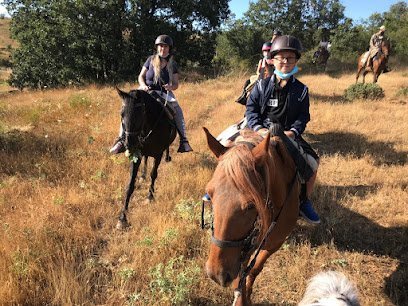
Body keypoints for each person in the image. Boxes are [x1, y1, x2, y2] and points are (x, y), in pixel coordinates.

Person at [245, 35, 320, 224]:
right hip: (259, 130)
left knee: (312, 164)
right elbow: (251, 110)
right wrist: (259, 128)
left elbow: (303, 116)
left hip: (286, 133)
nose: (285, 61)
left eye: (290, 58)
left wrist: (293, 132)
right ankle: (218, 190)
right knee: (228, 145)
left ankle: (303, 201)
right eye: (281, 58)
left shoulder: (302, 90)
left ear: (296, 61)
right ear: (273, 60)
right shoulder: (261, 86)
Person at [110, 34, 193, 154]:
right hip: (145, 91)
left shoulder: (172, 64)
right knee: (128, 108)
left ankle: (184, 141)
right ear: (157, 47)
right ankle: (121, 140)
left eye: (165, 46)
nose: (162, 49)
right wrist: (143, 85)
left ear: (169, 48)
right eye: (160, 46)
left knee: (178, 111)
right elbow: (141, 76)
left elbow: (176, 84)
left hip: (163, 93)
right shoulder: (150, 60)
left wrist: (171, 87)